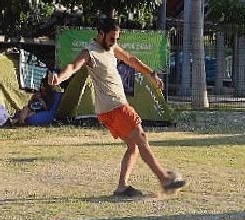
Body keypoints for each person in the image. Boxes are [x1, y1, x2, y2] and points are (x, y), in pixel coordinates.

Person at [49, 18, 185, 197]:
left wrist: (151, 74)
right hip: (115, 106)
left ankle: (122, 187)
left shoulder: (112, 49)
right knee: (141, 137)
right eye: (111, 38)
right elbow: (72, 67)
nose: (114, 42)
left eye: (117, 39)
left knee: (133, 146)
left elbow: (130, 59)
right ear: (100, 34)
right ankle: (164, 179)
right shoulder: (89, 53)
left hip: (109, 110)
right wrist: (59, 78)